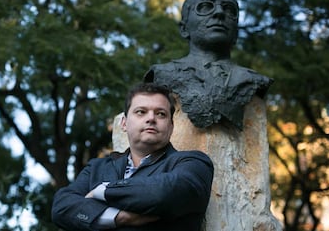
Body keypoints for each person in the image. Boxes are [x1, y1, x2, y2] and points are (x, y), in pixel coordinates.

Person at [51, 82, 214, 231]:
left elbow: (164, 193)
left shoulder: (193, 163)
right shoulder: (97, 168)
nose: (151, 118)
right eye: (141, 112)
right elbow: (61, 207)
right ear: (124, 123)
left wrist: (103, 191)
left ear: (171, 127)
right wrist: (118, 217)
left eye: (161, 114)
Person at [144, 0, 273, 131]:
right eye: (205, 6)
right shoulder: (162, 74)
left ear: (236, 33)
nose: (219, 12)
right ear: (184, 29)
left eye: (229, 9)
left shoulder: (253, 80)